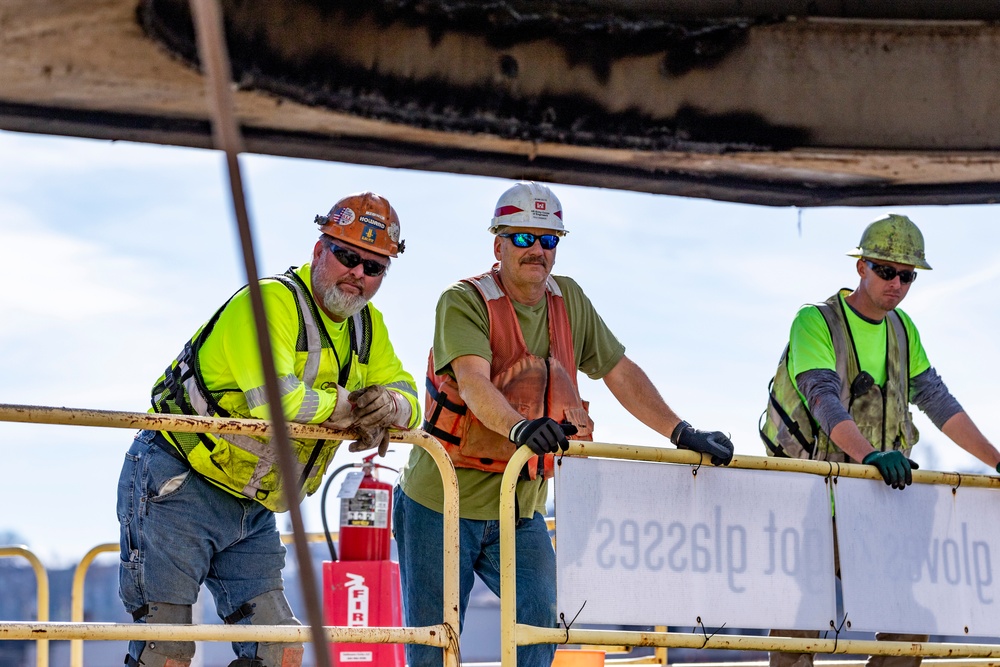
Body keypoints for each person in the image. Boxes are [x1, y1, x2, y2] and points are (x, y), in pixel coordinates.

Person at [393, 181, 735, 667]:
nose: (536, 250)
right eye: (522, 238)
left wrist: (681, 432)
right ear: (498, 244)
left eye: (548, 240)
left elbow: (619, 371)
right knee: (434, 644)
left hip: (520, 508)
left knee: (539, 624)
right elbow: (473, 382)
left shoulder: (567, 299)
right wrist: (520, 429)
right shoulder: (463, 300)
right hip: (441, 502)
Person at [116, 192, 419, 667]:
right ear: (319, 251)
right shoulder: (269, 303)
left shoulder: (367, 327)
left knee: (278, 649)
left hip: (251, 506)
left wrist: (391, 404)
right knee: (166, 650)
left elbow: (410, 397)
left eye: (374, 267)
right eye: (347, 256)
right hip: (178, 485)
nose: (358, 273)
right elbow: (275, 404)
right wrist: (351, 406)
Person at [760, 213, 1000, 667]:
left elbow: (938, 401)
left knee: (909, 621)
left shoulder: (903, 330)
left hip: (874, 500)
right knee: (799, 626)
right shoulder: (814, 322)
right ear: (861, 267)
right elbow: (823, 399)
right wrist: (872, 455)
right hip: (813, 496)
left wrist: (997, 459)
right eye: (885, 271)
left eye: (907, 276)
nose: (897, 284)